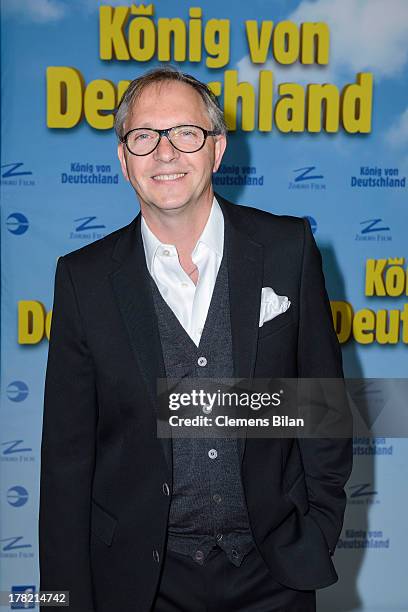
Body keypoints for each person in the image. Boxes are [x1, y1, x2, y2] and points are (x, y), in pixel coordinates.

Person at [39, 66, 353, 612]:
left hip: (273, 575)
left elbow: (321, 409)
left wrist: (317, 529)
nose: (165, 153)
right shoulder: (82, 280)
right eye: (144, 137)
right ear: (124, 159)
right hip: (140, 586)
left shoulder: (287, 248)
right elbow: (66, 465)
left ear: (217, 149)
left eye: (185, 133)